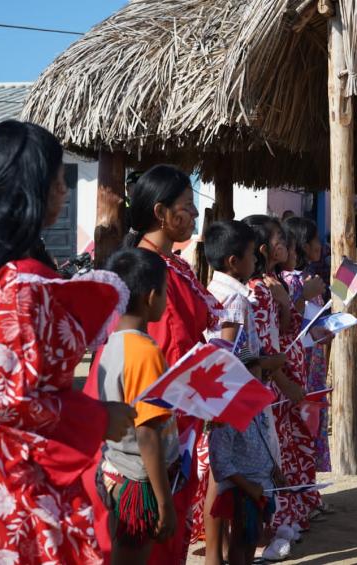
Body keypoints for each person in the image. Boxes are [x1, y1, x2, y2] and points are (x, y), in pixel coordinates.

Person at [0, 120, 136, 563]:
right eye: (58, 180)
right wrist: (99, 418)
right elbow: (1, 401)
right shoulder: (21, 283)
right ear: (33, 187)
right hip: (14, 500)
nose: (64, 191)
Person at [127, 164, 224, 565]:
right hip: (161, 421)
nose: (195, 215)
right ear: (161, 212)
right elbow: (167, 351)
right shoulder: (149, 271)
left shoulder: (173, 263)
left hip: (181, 416)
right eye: (187, 206)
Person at [203, 220, 287, 565]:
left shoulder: (213, 289)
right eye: (253, 255)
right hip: (238, 399)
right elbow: (231, 352)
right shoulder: (236, 298)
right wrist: (268, 363)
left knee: (219, 479)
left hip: (223, 397)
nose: (256, 261)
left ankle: (215, 555)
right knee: (238, 495)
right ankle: (225, 555)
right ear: (234, 262)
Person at [96, 248, 178, 564]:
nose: (166, 300)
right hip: (138, 480)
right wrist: (164, 502)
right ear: (151, 296)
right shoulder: (144, 353)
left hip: (116, 469)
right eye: (166, 292)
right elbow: (147, 433)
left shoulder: (113, 342)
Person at [242, 215, 317, 557]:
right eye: (277, 238)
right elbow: (261, 349)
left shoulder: (272, 283)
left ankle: (288, 517)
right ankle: (271, 527)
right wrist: (285, 383)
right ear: (261, 248)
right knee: (271, 455)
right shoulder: (257, 288)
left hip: (281, 379)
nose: (283, 242)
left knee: (285, 449)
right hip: (270, 385)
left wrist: (288, 303)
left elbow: (284, 326)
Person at [282, 216, 332, 472]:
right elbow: (288, 324)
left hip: (313, 363)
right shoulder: (289, 282)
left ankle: (310, 489)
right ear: (302, 244)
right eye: (315, 240)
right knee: (300, 421)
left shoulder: (309, 278)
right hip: (297, 365)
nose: (320, 245)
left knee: (312, 419)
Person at [208, 406, 280, 565]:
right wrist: (248, 487)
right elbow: (220, 462)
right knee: (241, 539)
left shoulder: (257, 411)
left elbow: (265, 443)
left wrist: (276, 471)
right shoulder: (226, 418)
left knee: (253, 537)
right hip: (240, 491)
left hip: (261, 487)